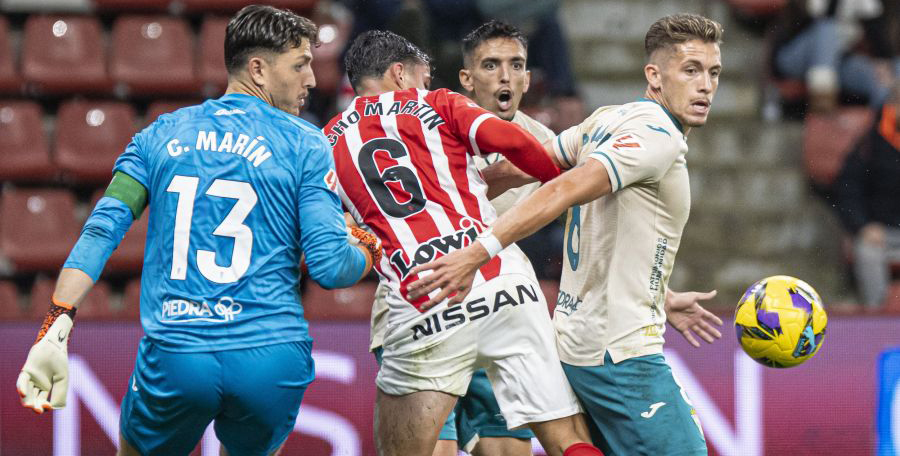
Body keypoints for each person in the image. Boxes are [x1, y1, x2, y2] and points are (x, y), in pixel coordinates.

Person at [16, 5, 379, 456]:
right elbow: (331, 268)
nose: (311, 80)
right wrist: (366, 244)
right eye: (301, 65)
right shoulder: (307, 143)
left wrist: (56, 322)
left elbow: (101, 231)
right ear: (259, 69)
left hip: (178, 353)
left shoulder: (160, 135)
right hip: (269, 357)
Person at [408, 13, 725, 456]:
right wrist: (476, 252)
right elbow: (561, 188)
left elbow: (520, 171)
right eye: (690, 70)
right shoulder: (657, 139)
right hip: (622, 356)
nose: (706, 85)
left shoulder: (607, 120)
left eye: (713, 72)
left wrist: (660, 295)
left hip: (578, 345)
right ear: (654, 75)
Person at [326, 30, 602, 456]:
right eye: (424, 75)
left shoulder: (324, 142)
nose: (428, 83)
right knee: (566, 440)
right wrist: (556, 181)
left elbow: (324, 246)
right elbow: (513, 142)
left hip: (423, 294)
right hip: (503, 281)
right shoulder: (439, 103)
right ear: (400, 74)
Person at [834, 83, 900, 309]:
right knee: (867, 251)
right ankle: (877, 314)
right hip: (882, 232)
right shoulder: (870, 142)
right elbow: (848, 188)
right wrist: (862, 226)